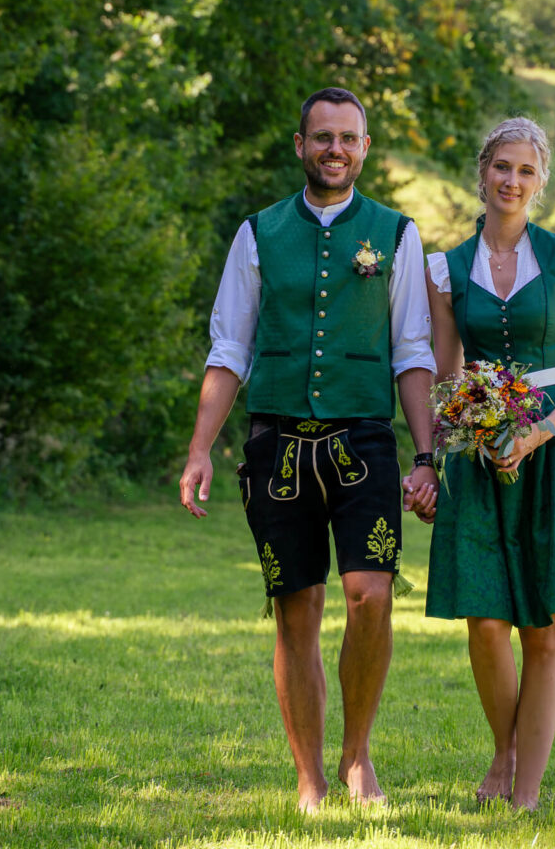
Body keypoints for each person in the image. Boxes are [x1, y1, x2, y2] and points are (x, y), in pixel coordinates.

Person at [179, 87, 438, 812]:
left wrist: (426, 456)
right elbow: (229, 348)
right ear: (300, 145)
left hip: (364, 441)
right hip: (277, 446)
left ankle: (358, 757)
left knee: (371, 597)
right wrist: (200, 449)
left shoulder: (396, 234)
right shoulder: (258, 233)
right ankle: (309, 778)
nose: (335, 149)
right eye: (322, 137)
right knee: (296, 608)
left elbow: (413, 351)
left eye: (348, 138)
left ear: (365, 148)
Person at [413, 117, 555, 810]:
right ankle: (503, 752)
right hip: (480, 453)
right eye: (502, 167)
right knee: (485, 621)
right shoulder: (445, 269)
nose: (512, 181)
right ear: (482, 172)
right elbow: (444, 378)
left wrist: (539, 430)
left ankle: (525, 792)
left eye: (526, 171)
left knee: (544, 625)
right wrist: (436, 457)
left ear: (541, 182)